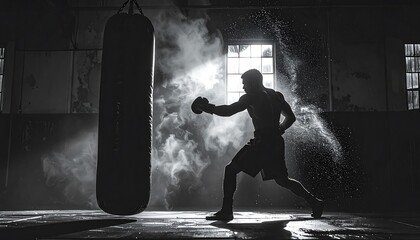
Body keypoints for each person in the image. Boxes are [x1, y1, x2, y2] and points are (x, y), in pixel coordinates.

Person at [191, 69, 324, 221]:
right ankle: (315, 201)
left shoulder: (252, 96)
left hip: (263, 142)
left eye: (245, 83)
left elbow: (229, 111)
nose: (243, 87)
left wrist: (206, 108)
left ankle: (227, 210)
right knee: (282, 180)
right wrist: (280, 129)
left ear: (253, 82)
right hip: (276, 141)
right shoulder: (276, 95)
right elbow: (291, 117)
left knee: (230, 169)